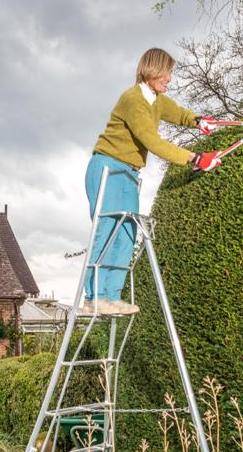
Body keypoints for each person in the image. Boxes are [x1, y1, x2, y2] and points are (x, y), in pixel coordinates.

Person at [81, 47, 223, 316]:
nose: (170, 78)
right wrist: (195, 159)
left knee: (127, 233)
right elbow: (152, 141)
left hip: (129, 173)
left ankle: (112, 296)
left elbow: (179, 114)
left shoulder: (156, 100)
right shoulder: (133, 99)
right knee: (108, 229)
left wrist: (199, 121)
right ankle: (94, 297)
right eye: (167, 72)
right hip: (107, 166)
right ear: (153, 69)